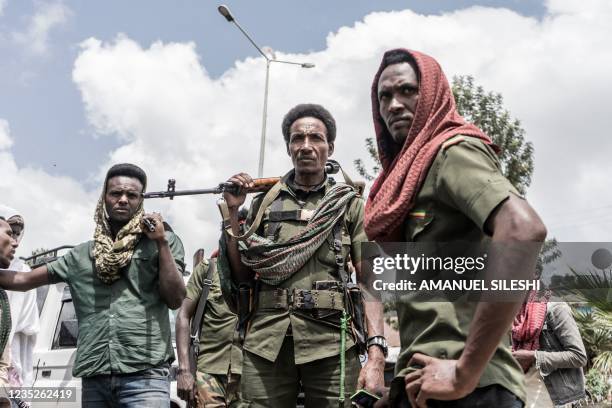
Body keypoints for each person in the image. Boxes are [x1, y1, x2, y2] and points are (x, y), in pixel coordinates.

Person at [364, 49, 547, 407]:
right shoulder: (411, 179)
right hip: (426, 384)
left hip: (473, 390)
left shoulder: (451, 151)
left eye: (408, 91)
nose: (394, 105)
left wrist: (464, 372)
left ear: (432, 93)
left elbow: (523, 229)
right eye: (384, 96)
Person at [221, 104, 386, 407]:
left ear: (330, 147)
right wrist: (233, 212)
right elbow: (243, 275)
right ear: (288, 147)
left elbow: (370, 281)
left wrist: (376, 352)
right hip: (266, 343)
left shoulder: (349, 204)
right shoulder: (263, 205)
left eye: (316, 139)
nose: (306, 147)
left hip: (331, 342)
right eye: (298, 139)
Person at [0, 163, 186, 408]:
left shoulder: (163, 243)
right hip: (95, 377)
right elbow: (23, 281)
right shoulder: (81, 255)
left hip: (145, 376)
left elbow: (175, 298)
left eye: (131, 195)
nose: (122, 200)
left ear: (141, 201)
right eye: (115, 193)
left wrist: (161, 242)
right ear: (104, 199)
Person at [512, 297, 587, 408]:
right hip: (524, 388)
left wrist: (535, 356)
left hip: (554, 395)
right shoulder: (517, 313)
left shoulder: (555, 307)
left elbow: (579, 356)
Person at [0, 206, 40, 388]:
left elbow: (27, 328)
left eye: (17, 234)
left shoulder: (22, 271)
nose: (15, 241)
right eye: (9, 233)